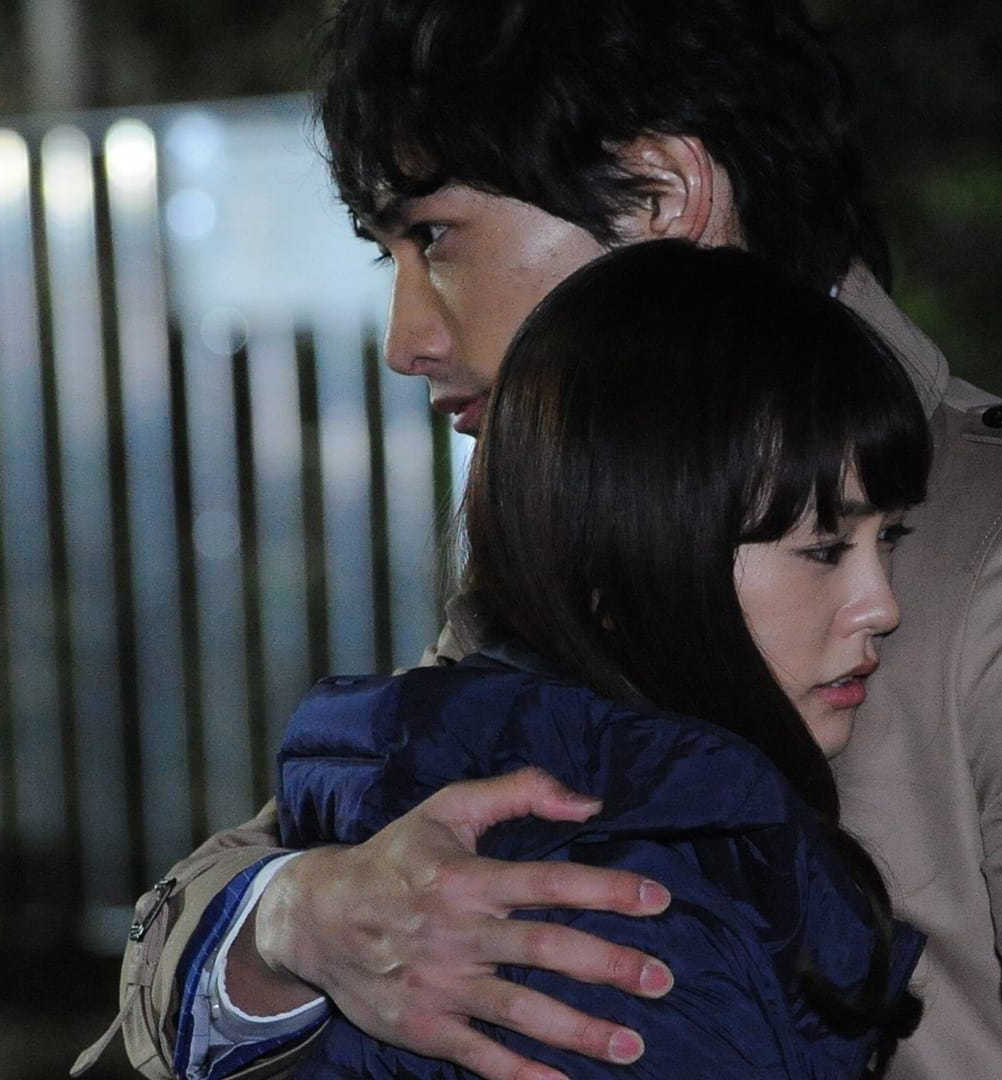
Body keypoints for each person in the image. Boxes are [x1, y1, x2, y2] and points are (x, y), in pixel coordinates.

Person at [74, 0, 1002, 1077]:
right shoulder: (572, 523)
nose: (406, 339)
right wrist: (296, 919)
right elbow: (199, 947)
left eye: (435, 236)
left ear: (662, 201)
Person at [266, 239, 926, 1077]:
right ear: (630, 558)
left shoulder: (593, 801)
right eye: (825, 549)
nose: (883, 606)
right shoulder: (611, 913)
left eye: (889, 537)